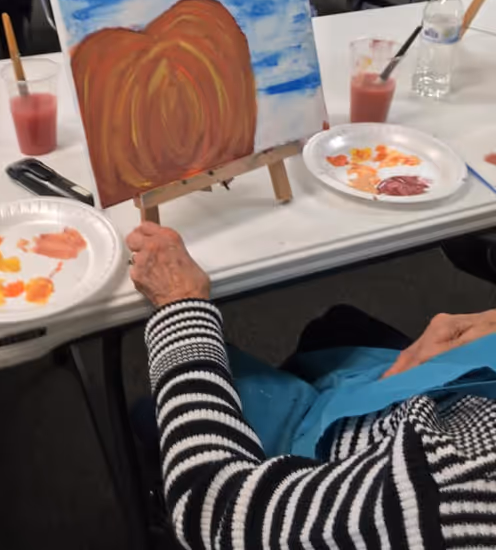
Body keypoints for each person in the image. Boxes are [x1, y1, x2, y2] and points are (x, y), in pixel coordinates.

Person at [128, 221, 496, 549]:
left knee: (154, 411)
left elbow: (215, 509)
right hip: (439, 400)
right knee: (338, 326)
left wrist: (179, 305)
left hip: (332, 460)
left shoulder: (448, 499)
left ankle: (153, 505)